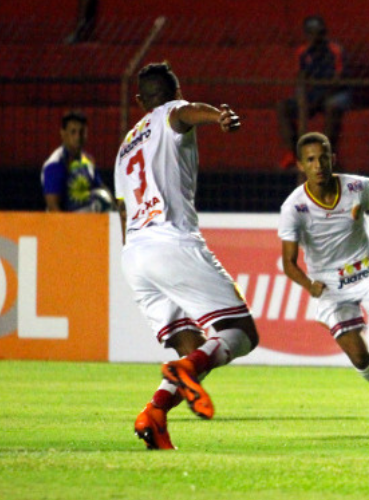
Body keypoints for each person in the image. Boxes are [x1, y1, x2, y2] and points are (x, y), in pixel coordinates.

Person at [114, 62, 260, 450]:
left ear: (140, 100)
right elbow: (185, 113)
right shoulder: (171, 113)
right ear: (175, 91)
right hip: (170, 242)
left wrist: (135, 257)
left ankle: (155, 414)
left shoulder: (124, 148)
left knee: (194, 347)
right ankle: (182, 372)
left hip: (134, 255)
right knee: (242, 333)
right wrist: (220, 116)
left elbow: (123, 212)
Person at [278, 132, 369, 417]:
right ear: (301, 166)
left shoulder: (358, 187)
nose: (319, 165)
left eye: (323, 157)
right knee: (359, 356)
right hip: (329, 286)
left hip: (366, 271)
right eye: (311, 160)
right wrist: (308, 285)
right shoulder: (293, 208)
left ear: (333, 159)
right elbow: (288, 262)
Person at [277, 15, 351, 171]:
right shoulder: (303, 52)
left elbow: (339, 80)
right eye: (311, 33)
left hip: (334, 91)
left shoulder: (335, 51)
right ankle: (295, 153)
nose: (315, 36)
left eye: (318, 33)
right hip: (314, 93)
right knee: (283, 107)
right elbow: (301, 78)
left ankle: (325, 155)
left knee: (333, 106)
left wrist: (320, 98)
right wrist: (303, 98)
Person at [41, 110, 112, 212]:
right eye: (73, 132)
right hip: (65, 223)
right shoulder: (55, 165)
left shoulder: (88, 161)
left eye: (81, 132)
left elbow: (101, 188)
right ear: (63, 133)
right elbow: (53, 208)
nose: (78, 137)